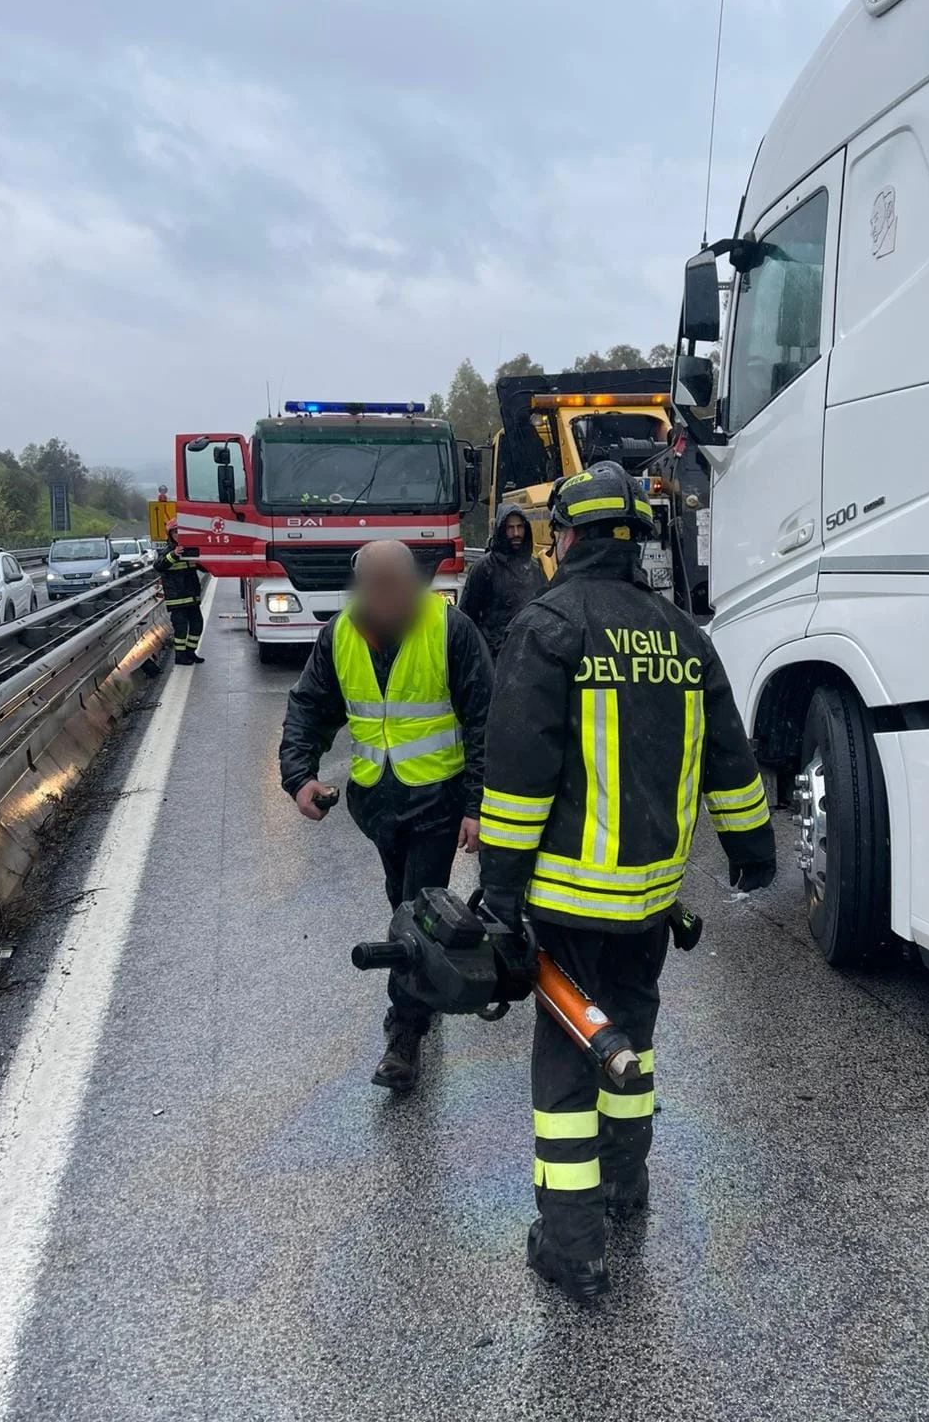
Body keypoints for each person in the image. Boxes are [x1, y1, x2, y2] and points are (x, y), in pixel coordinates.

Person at [479, 461, 775, 1303]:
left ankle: (573, 1248)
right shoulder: (683, 634)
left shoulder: (549, 626)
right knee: (632, 1043)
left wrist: (500, 898)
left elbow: (517, 784)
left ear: (566, 536)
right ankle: (625, 1193)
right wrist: (753, 851)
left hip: (567, 906)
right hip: (650, 903)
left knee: (570, 1069)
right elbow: (732, 761)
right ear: (637, 538)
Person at [279, 541, 493, 1091]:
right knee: (401, 898)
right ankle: (428, 981)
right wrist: (299, 775)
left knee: (419, 911)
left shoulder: (452, 631)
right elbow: (310, 706)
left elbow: (484, 719)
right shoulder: (341, 636)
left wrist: (477, 805)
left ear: (413, 581)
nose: (384, 596)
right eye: (373, 585)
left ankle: (405, 1034)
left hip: (437, 801)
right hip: (376, 802)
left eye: (393, 583)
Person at [459, 502, 547, 661]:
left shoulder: (535, 568)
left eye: (520, 527)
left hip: (527, 657)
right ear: (501, 530)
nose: (516, 533)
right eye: (510, 528)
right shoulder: (484, 568)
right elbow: (467, 616)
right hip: (493, 658)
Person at [155, 519, 204, 665]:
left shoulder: (190, 549)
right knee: (181, 628)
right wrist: (174, 555)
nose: (178, 535)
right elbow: (159, 565)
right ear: (170, 534)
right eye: (175, 532)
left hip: (192, 596)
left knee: (197, 625)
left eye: (181, 532)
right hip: (177, 599)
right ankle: (180, 656)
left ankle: (190, 652)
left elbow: (202, 567)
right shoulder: (167, 551)